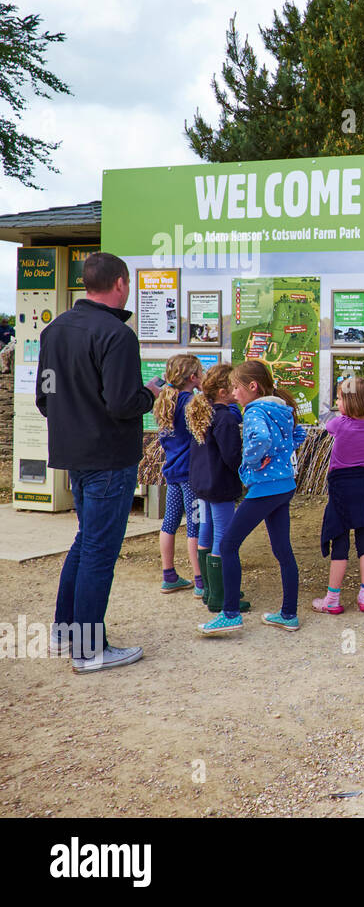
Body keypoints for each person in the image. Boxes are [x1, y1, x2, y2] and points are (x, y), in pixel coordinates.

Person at [36, 252, 160, 672]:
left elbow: (44, 396)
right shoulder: (117, 334)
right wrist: (151, 393)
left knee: (86, 541)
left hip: (73, 455)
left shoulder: (54, 331)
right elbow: (123, 403)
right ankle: (89, 651)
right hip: (108, 457)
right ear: (121, 284)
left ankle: (66, 630)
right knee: (99, 552)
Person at [198, 360, 307, 636]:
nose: (234, 393)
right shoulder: (281, 408)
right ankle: (288, 614)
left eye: (236, 387)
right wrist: (281, 454)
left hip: (265, 488)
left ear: (253, 386)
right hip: (284, 486)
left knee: (229, 545)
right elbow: (298, 434)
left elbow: (259, 438)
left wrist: (250, 463)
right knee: (283, 551)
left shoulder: (256, 410)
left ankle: (230, 613)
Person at [315, 376, 364, 613]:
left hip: (340, 485)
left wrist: (358, 404)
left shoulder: (341, 424)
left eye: (340, 399)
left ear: (350, 404)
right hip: (363, 483)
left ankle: (332, 599)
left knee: (340, 540)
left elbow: (329, 425)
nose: (337, 403)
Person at [186, 363, 249, 614]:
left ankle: (210, 590)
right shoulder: (224, 418)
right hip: (220, 484)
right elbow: (232, 455)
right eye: (234, 386)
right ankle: (221, 597)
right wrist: (246, 467)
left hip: (201, 482)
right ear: (223, 391)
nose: (237, 390)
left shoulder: (203, 411)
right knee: (224, 534)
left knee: (207, 529)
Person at [153, 354, 204, 594]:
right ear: (193, 377)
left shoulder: (166, 399)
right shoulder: (190, 402)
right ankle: (200, 580)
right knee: (195, 524)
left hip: (172, 469)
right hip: (190, 472)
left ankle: (169, 574)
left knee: (170, 521)